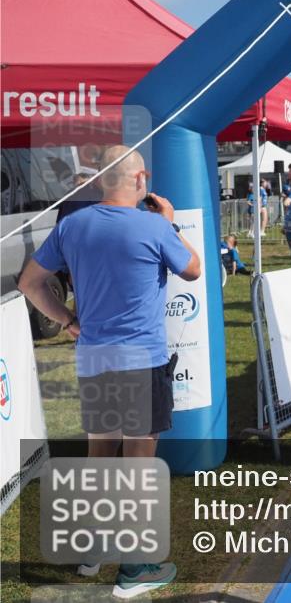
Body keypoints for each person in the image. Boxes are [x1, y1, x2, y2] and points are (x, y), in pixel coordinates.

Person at [17, 145, 201, 598]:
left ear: (101, 180)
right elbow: (194, 269)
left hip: (95, 358)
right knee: (138, 464)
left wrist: (67, 320)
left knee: (101, 455)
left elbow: (29, 283)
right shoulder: (154, 225)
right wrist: (170, 221)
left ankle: (92, 546)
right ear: (142, 179)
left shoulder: (72, 225)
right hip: (141, 359)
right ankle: (135, 568)